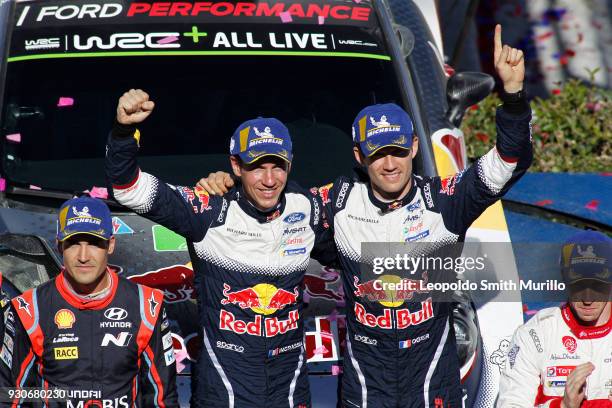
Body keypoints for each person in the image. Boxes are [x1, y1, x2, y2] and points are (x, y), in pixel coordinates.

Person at [197, 24, 532, 407]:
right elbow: (272, 199)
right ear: (360, 157)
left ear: (415, 148)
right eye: (377, 153)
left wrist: (514, 98)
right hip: (364, 392)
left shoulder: (446, 201)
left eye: (399, 151)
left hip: (432, 389)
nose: (390, 164)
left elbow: (508, 162)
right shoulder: (335, 204)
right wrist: (229, 187)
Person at [105, 92, 336, 408]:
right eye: (257, 166)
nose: (269, 179)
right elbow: (128, 189)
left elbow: (360, 256)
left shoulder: (307, 208)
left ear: (290, 164)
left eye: (278, 166)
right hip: (225, 393)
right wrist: (122, 134)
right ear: (236, 165)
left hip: (291, 392)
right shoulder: (208, 211)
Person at [0, 196, 177, 407]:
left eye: (94, 243)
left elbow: (162, 398)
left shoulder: (146, 305)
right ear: (59, 246)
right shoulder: (29, 310)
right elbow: (11, 396)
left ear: (110, 245)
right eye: (74, 243)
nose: (83, 256)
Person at [498, 231, 612, 407]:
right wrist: (562, 406)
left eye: (597, 285)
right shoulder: (537, 333)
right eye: (579, 285)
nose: (587, 299)